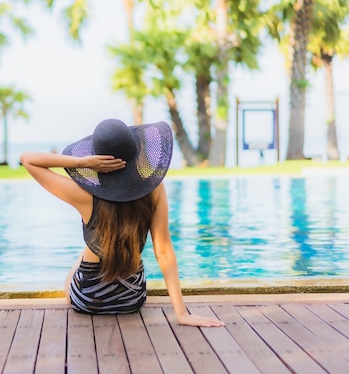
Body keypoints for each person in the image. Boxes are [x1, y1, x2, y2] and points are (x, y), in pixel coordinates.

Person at [20, 118, 224, 327]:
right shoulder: (154, 190)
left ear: (96, 157)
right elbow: (163, 251)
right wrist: (181, 314)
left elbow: (28, 160)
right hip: (131, 299)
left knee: (85, 252)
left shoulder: (82, 195)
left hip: (87, 300)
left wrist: (82, 163)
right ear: (135, 152)